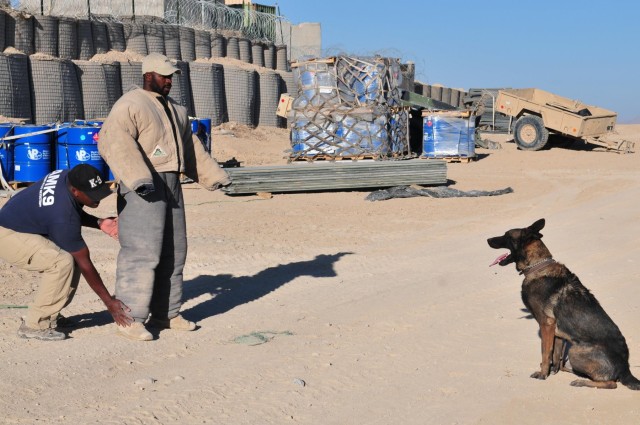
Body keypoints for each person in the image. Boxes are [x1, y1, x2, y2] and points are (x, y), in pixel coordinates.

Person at [98, 53, 231, 341]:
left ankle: (166, 314)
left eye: (171, 76)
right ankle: (129, 319)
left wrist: (213, 176)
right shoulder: (131, 104)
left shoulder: (177, 110)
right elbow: (113, 140)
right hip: (142, 186)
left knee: (174, 250)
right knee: (141, 251)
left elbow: (190, 147)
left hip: (172, 184)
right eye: (164, 76)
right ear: (149, 75)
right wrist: (137, 179)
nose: (169, 81)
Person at [0, 164, 133, 341]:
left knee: (70, 258)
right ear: (76, 191)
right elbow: (86, 263)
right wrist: (109, 302)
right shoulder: (62, 217)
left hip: (21, 222)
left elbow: (69, 208)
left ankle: (51, 314)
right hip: (8, 234)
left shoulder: (67, 177)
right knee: (60, 262)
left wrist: (99, 222)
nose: (99, 199)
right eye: (93, 196)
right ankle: (34, 324)